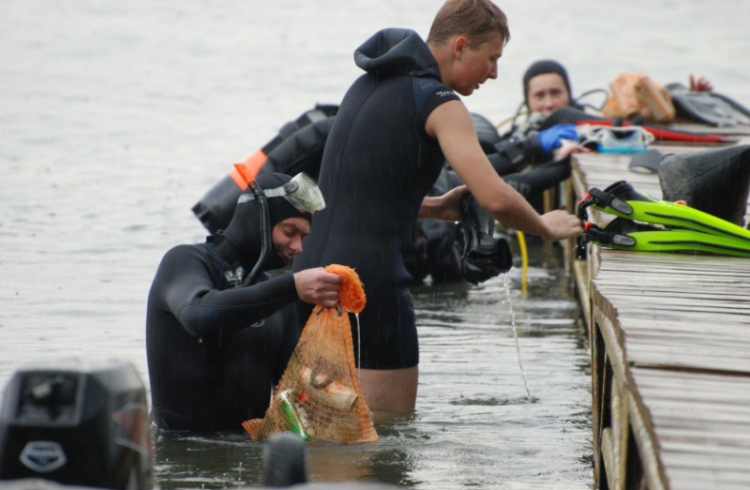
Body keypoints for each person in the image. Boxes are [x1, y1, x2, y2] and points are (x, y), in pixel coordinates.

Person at [292, 0, 583, 416]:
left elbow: (354, 197)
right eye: (493, 59)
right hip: (367, 285)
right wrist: (546, 227)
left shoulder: (368, 85)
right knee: (385, 439)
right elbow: (496, 197)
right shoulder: (441, 104)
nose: (495, 73)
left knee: (319, 430)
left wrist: (433, 207)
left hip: (310, 271)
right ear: (461, 46)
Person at [146, 172, 342, 433]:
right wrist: (292, 286)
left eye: (303, 237)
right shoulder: (184, 262)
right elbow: (199, 315)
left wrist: (336, 402)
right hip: (180, 450)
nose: (298, 248)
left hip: (248, 457)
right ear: (258, 219)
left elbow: (294, 391)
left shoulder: (279, 297)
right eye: (289, 231)